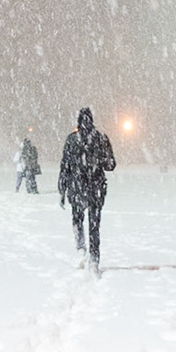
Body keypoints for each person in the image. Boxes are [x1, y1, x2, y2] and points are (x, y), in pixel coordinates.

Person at [58, 107, 117, 273]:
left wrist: (62, 188)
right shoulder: (101, 139)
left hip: (76, 188)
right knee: (94, 225)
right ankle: (94, 258)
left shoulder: (71, 140)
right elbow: (111, 165)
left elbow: (65, 166)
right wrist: (99, 161)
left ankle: (80, 248)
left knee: (77, 219)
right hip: (95, 188)